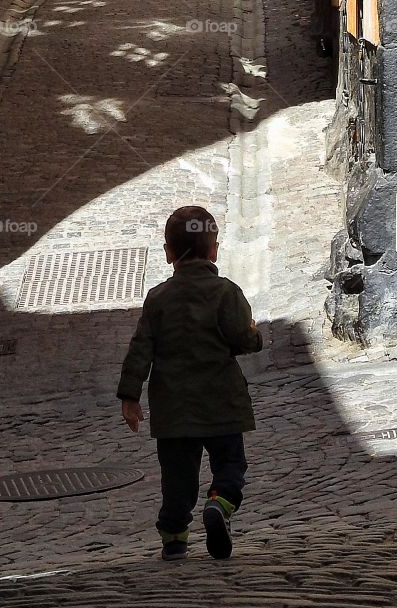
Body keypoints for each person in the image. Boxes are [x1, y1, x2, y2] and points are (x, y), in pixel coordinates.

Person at [117, 205, 263, 562]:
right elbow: (242, 338)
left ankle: (174, 537)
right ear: (213, 250)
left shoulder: (158, 298)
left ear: (168, 253)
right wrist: (254, 337)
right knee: (231, 465)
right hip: (221, 404)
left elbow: (140, 350)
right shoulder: (226, 293)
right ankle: (219, 504)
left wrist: (130, 396)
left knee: (177, 481)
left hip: (174, 412)